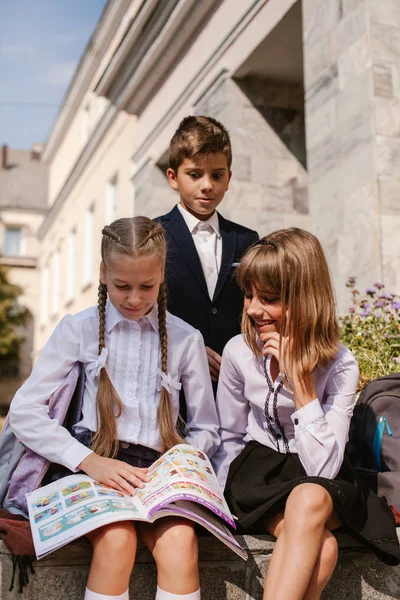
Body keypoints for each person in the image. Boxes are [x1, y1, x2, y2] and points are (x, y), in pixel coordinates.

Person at [9, 217, 220, 600]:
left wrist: (178, 464)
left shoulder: (187, 340)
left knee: (180, 542)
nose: (135, 299)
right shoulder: (78, 329)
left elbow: (208, 427)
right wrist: (88, 461)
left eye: (147, 286)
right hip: (92, 463)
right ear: (103, 274)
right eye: (122, 286)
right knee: (117, 539)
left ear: (162, 277)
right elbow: (24, 411)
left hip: (159, 473)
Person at [212, 228, 400, 600]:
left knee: (310, 496)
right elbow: (228, 437)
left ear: (304, 299)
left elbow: (321, 469)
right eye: (249, 295)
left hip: (320, 471)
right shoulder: (238, 351)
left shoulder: (341, 363)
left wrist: (300, 382)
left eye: (268, 299)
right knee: (325, 548)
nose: (252, 309)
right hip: (258, 471)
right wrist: (216, 503)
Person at [155, 115, 258, 385]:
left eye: (217, 175)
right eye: (194, 174)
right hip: (171, 383)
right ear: (173, 177)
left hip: (234, 384)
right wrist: (185, 349)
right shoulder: (153, 237)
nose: (207, 185)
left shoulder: (247, 239)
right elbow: (141, 311)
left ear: (229, 178)